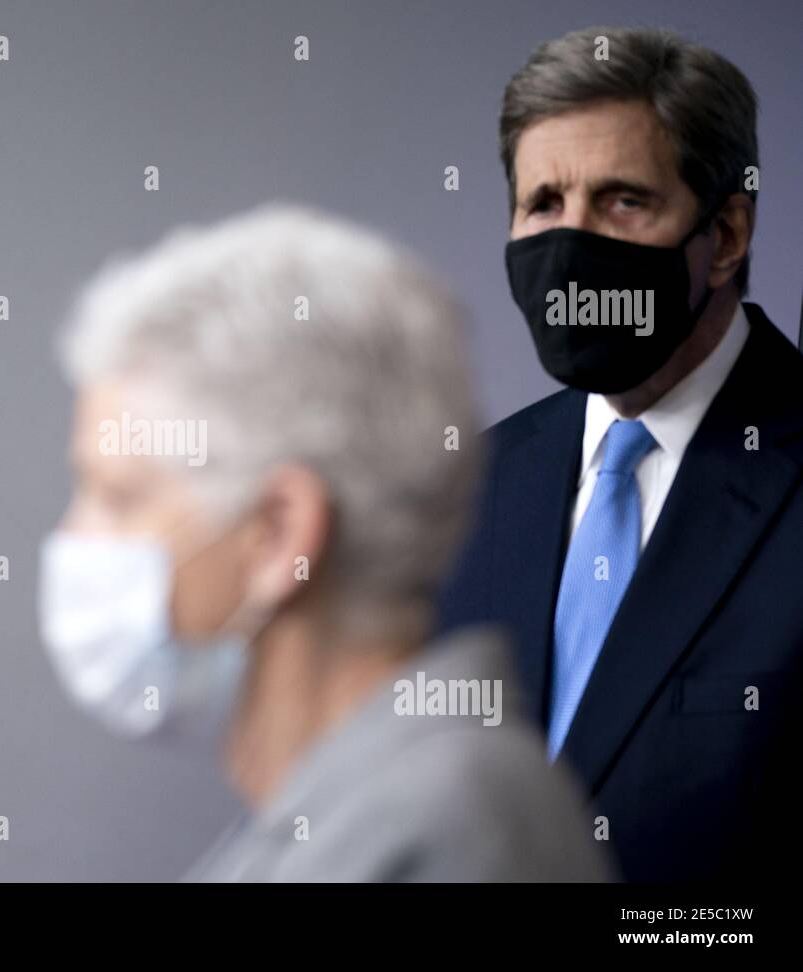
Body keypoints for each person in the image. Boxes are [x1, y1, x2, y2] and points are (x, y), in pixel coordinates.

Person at [38, 203, 611, 881]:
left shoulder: (460, 828)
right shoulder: (346, 818)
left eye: (119, 497)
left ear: (281, 534)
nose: (74, 540)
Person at [436, 26, 800, 881]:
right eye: (544, 205)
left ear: (729, 233)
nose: (570, 247)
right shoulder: (477, 486)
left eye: (623, 201)